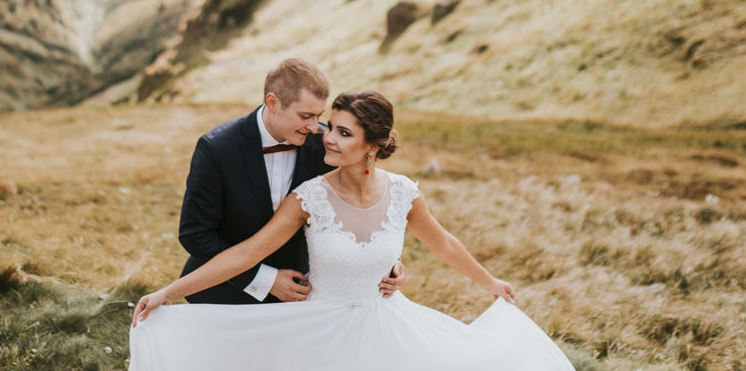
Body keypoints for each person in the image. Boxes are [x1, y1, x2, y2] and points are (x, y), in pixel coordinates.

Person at [131, 90, 575, 371]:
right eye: (330, 127)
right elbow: (245, 253)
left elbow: (443, 242)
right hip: (316, 328)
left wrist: (489, 282)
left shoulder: (403, 193)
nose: (326, 137)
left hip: (388, 325)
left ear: (373, 146)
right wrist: (168, 292)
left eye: (343, 133)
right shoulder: (308, 197)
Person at [177, 58, 403, 304]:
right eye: (305, 115)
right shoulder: (218, 148)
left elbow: (357, 207)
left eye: (318, 115)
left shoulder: (325, 144)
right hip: (226, 288)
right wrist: (264, 279)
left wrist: (384, 262)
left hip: (303, 291)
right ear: (272, 102)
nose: (314, 126)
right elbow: (195, 233)